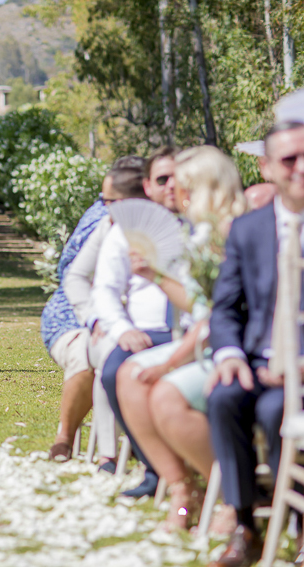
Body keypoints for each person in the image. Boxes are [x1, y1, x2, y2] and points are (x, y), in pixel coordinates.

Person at [115, 146, 246, 531]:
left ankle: (230, 495)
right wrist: (153, 276)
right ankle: (182, 487)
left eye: (186, 186)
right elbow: (198, 302)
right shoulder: (200, 232)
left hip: (224, 343)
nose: (179, 195)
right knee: (128, 374)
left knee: (156, 387)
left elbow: (214, 315)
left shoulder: (233, 233)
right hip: (202, 337)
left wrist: (170, 363)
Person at [206, 118, 304, 567]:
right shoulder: (249, 230)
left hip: (299, 371)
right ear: (266, 168)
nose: (301, 168)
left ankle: (301, 528)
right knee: (225, 398)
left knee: (273, 410)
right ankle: (245, 522)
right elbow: (225, 307)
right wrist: (228, 353)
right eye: (290, 159)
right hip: (257, 361)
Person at [93, 145, 181, 498]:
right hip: (145, 331)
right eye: (163, 179)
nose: (172, 186)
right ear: (148, 186)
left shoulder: (207, 225)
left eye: (179, 177)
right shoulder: (125, 231)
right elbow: (105, 288)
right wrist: (122, 328)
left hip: (195, 332)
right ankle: (154, 467)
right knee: (114, 371)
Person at [62, 156, 147, 471]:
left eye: (109, 201)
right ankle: (109, 455)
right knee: (109, 355)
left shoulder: (175, 223)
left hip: (161, 326)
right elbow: (74, 277)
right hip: (111, 324)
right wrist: (94, 317)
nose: (103, 207)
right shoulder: (108, 227)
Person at [40, 172, 109, 461]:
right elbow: (70, 273)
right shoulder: (102, 219)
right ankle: (65, 438)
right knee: (89, 350)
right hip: (79, 316)